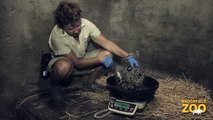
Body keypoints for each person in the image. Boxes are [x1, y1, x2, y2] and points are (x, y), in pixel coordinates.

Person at [48, 1, 139, 93]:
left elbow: (107, 43)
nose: (76, 31)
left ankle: (89, 83)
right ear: (62, 26)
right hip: (65, 60)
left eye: (77, 26)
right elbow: (76, 63)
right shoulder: (57, 35)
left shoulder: (86, 24)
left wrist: (128, 56)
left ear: (79, 19)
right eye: (70, 29)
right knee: (63, 67)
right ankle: (55, 87)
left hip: (81, 56)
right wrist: (99, 59)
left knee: (107, 54)